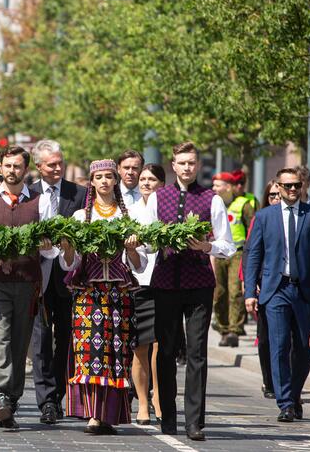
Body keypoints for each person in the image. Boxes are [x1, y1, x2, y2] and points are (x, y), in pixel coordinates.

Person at [146, 142, 235, 441]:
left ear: (197, 166)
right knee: (166, 351)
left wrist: (207, 246)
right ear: (173, 165)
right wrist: (148, 242)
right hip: (165, 282)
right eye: (182, 163)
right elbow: (146, 241)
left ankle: (195, 421)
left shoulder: (212, 199)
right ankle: (167, 416)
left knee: (197, 353)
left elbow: (228, 246)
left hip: (199, 283)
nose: (187, 167)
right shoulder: (159, 197)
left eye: (192, 163)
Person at [0, 146, 56, 430]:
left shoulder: (41, 202)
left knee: (19, 343)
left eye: (17, 166)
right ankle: (2, 393)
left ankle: (11, 398)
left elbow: (53, 249)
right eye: (7, 166)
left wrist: (48, 244)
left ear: (26, 169)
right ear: (1, 168)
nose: (11, 171)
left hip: (28, 282)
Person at [58, 159, 148, 435]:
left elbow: (139, 264)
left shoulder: (128, 216)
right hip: (88, 295)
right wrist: (68, 247)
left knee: (115, 354)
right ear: (92, 182)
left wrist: (132, 248)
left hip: (118, 295)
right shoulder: (80, 218)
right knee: (89, 353)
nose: (105, 182)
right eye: (100, 177)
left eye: (110, 176)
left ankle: (109, 414)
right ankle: (92, 415)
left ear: (116, 180)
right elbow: (69, 264)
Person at [243, 167, 310, 422]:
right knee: (279, 346)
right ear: (279, 188)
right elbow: (253, 256)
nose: (292, 190)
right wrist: (250, 291)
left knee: (305, 350)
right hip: (276, 290)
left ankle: (294, 395)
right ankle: (285, 403)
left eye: (296, 185)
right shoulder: (264, 217)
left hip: (305, 291)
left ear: (302, 187)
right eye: (287, 186)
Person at [28, 140, 86, 425]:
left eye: (60, 163)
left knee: (66, 339)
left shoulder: (79, 194)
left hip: (68, 277)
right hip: (38, 277)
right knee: (40, 341)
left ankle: (60, 394)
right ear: (38, 166)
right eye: (51, 164)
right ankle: (47, 400)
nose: (58, 168)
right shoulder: (29, 194)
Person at [130, 163, 165, 424]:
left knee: (160, 346)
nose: (146, 183)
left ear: (162, 184)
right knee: (140, 346)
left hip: (165, 283)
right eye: (142, 179)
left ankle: (158, 398)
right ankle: (142, 402)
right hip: (138, 283)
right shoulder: (130, 211)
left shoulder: (168, 209)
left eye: (152, 179)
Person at [239, 180, 280, 399]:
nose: (276, 199)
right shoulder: (261, 218)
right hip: (265, 285)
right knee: (265, 338)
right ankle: (269, 381)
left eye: (278, 194)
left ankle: (288, 385)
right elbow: (250, 252)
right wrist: (249, 281)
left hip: (291, 287)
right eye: (272, 195)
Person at [211, 171, 254, 347]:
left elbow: (252, 229)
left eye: (218, 185)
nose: (214, 188)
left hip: (237, 252)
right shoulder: (212, 203)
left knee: (235, 291)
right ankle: (223, 328)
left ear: (228, 187)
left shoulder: (243, 204)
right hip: (217, 253)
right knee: (219, 292)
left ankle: (234, 331)